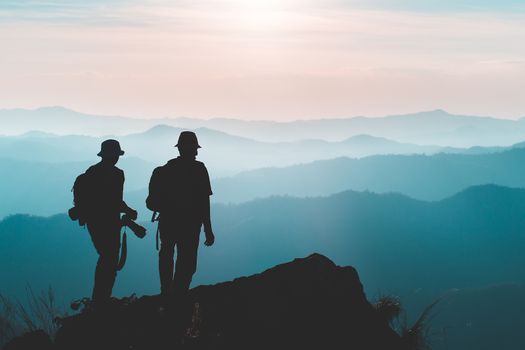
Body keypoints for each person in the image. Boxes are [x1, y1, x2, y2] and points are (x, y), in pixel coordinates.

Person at [147, 131, 215, 304]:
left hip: (168, 222)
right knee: (187, 259)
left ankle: (166, 292)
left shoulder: (165, 170)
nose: (196, 152)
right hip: (191, 224)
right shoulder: (199, 170)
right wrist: (208, 229)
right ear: (193, 150)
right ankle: (179, 293)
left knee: (167, 254)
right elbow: (204, 202)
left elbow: (152, 202)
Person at [81, 139, 138, 306]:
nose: (116, 158)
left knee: (108, 258)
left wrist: (127, 210)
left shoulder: (93, 172)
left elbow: (114, 200)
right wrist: (129, 211)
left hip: (97, 223)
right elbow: (115, 200)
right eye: (115, 154)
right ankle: (101, 299)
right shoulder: (117, 174)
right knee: (109, 259)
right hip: (108, 223)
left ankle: (100, 298)